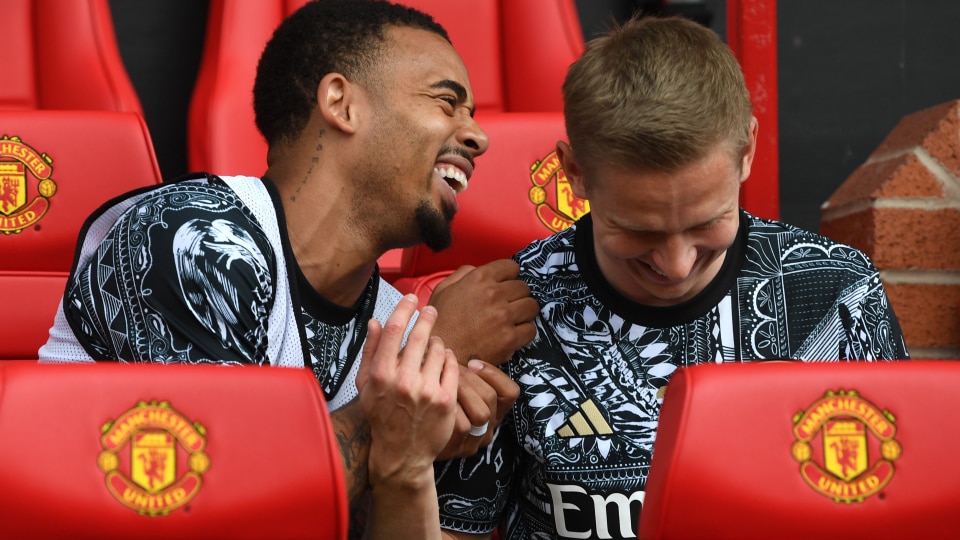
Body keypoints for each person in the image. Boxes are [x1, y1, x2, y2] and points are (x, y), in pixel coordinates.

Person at [37, 1, 538, 538]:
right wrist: (435, 363)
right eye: (447, 102)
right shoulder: (191, 236)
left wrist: (411, 468)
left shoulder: (407, 329)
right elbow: (222, 513)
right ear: (341, 103)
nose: (479, 137)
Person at [434, 14, 910, 540]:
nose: (676, 264)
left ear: (747, 150)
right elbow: (455, 528)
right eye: (637, 231)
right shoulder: (509, 313)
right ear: (574, 173)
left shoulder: (837, 294)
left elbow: (895, 509)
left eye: (707, 223)